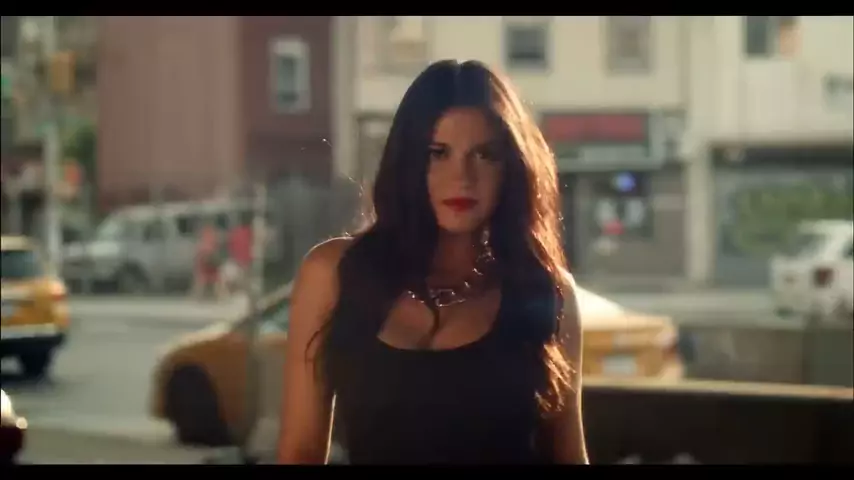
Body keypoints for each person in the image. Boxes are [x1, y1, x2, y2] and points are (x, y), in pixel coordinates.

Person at [278, 59, 587, 465]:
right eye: (438, 153)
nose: (462, 177)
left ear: (511, 167)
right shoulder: (332, 275)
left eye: (484, 154)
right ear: (407, 161)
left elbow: (568, 456)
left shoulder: (547, 293)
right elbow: (300, 452)